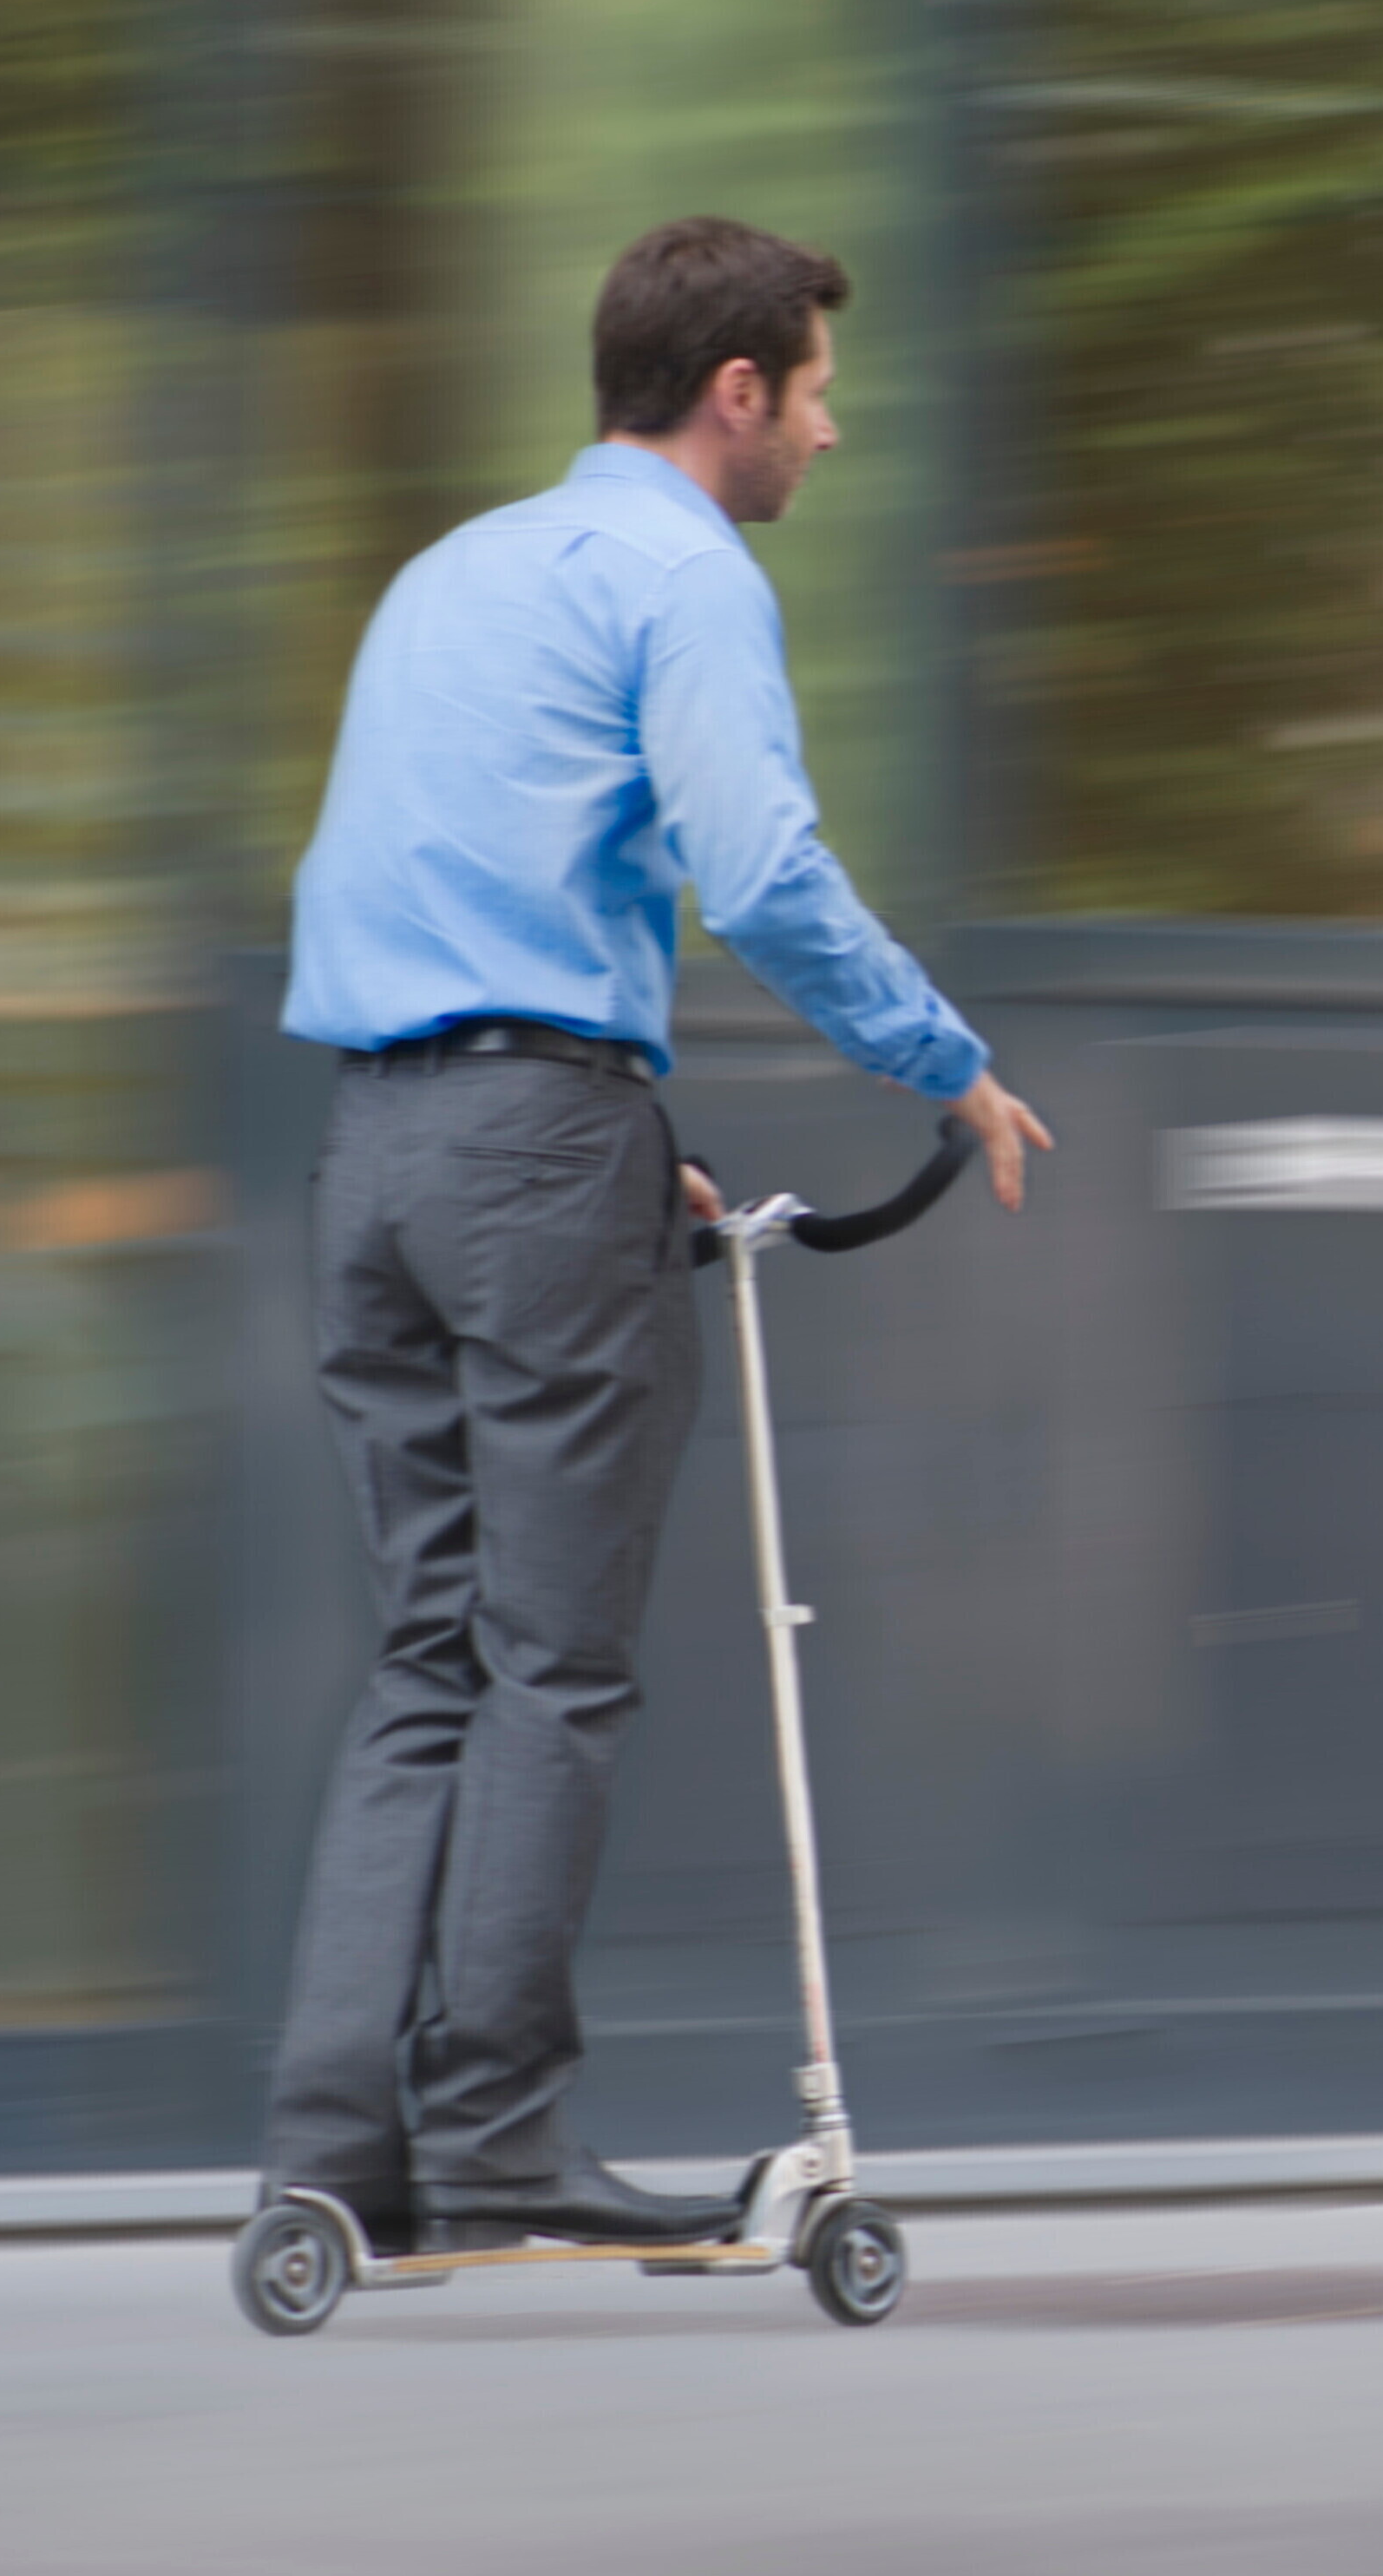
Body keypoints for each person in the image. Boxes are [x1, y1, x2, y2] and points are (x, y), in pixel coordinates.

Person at [261, 216, 1054, 2252]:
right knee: (556, 1661)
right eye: (813, 391)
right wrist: (943, 1066)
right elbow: (760, 869)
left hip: (374, 1156)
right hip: (532, 1156)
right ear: (734, 396)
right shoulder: (685, 574)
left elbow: (440, 882)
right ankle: (497, 2138)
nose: (833, 429)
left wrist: (625, 1147)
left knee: (428, 1655)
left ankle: (334, 2150)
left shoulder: (453, 572)